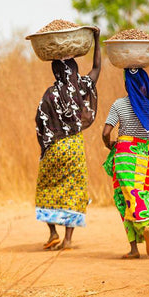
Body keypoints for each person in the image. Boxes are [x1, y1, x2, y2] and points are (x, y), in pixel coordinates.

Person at [35, 28, 101, 251]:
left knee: (46, 188)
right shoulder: (82, 87)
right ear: (74, 68)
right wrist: (97, 39)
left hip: (54, 148)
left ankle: (52, 232)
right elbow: (97, 67)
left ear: (55, 70)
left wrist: (44, 148)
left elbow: (41, 121)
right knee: (73, 190)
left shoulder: (49, 94)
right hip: (73, 146)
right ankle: (68, 239)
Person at [102, 67, 149, 259]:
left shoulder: (119, 104)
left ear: (126, 84)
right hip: (144, 154)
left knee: (125, 198)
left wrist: (110, 145)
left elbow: (106, 132)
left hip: (124, 155)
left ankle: (134, 247)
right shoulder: (148, 105)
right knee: (144, 192)